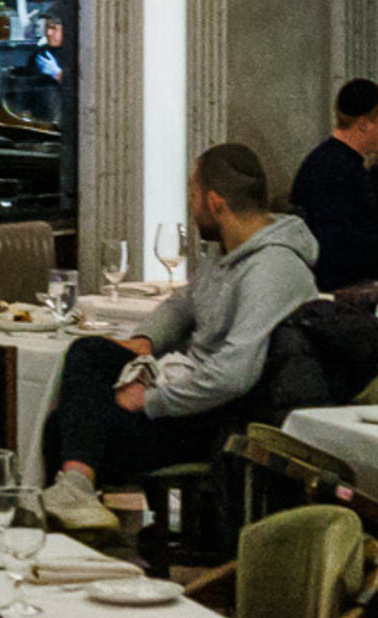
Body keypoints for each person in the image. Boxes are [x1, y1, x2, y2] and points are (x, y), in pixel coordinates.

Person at [37, 142, 318, 529]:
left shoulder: (271, 268)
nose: (191, 205)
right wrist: (146, 340)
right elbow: (184, 304)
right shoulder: (227, 250)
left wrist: (150, 400)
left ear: (215, 203)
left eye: (193, 196)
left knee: (62, 430)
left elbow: (233, 375)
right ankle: (76, 491)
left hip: (217, 417)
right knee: (87, 352)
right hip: (187, 385)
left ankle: (77, 507)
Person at [292, 79, 378, 292]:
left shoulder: (343, 161)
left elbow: (360, 226)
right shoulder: (330, 168)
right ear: (364, 124)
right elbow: (336, 248)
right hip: (335, 292)